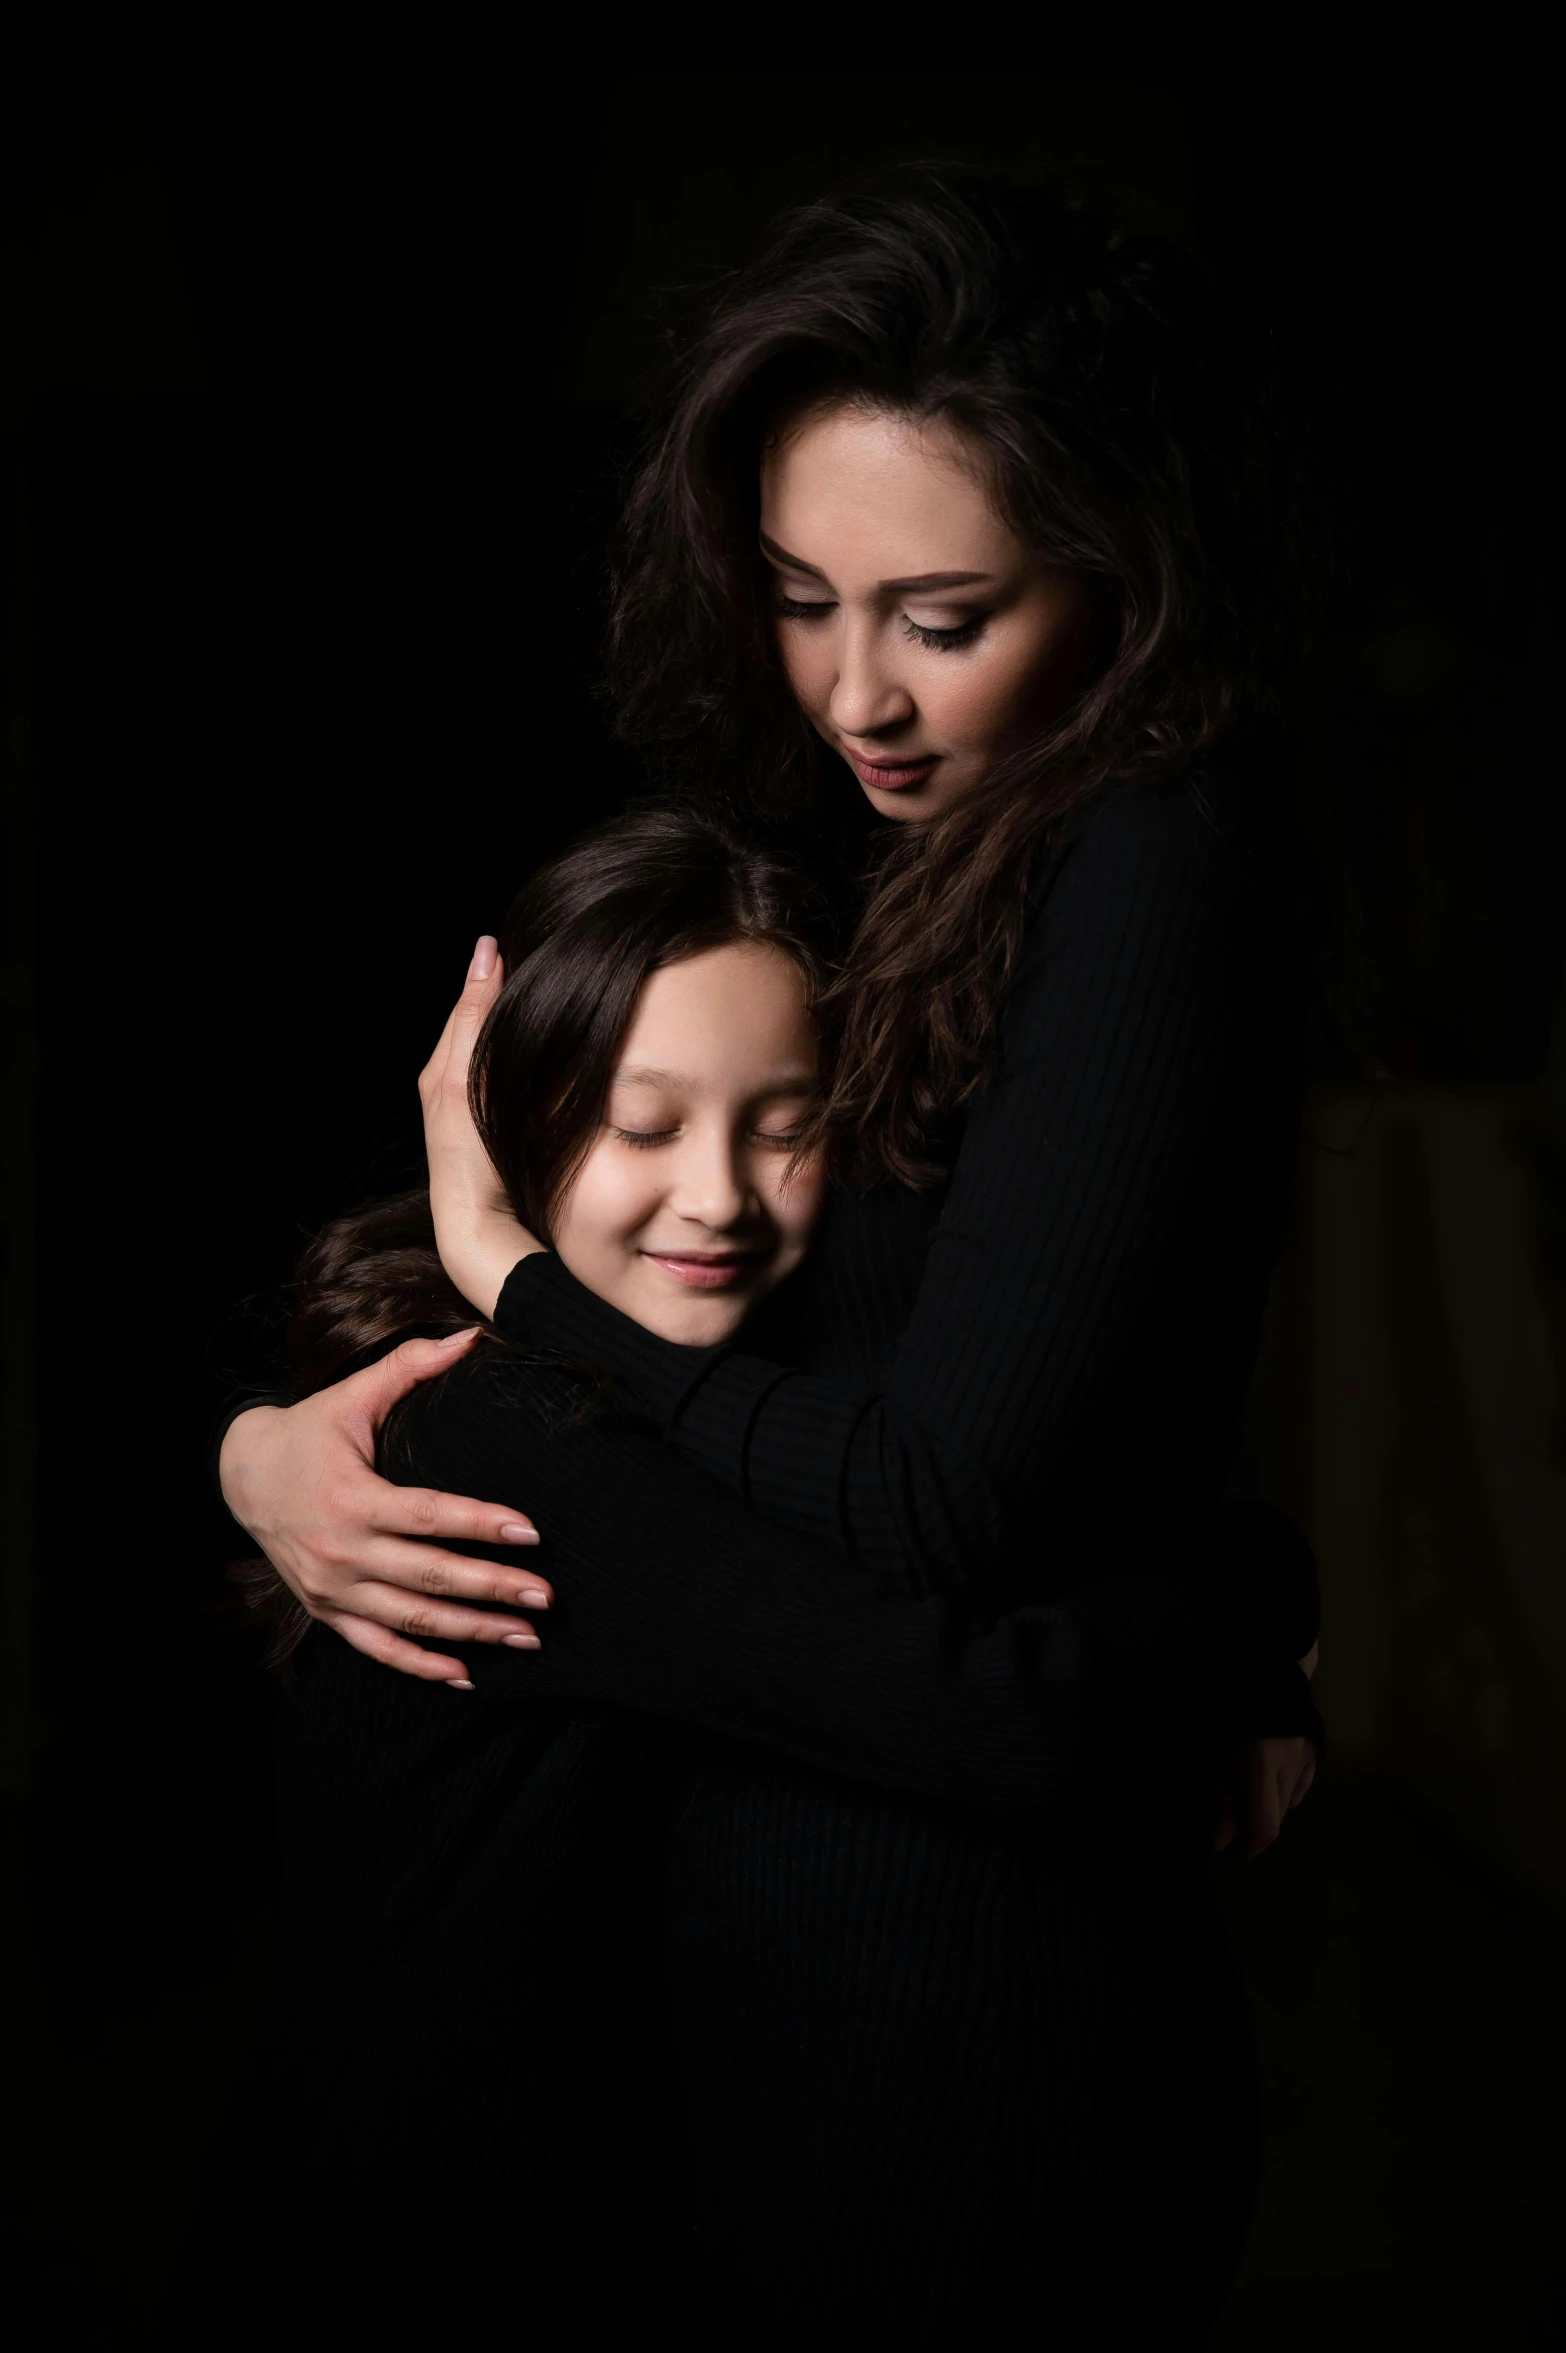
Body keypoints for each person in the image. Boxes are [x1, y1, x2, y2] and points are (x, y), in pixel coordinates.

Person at [216, 168, 1321, 2345]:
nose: (857, 692)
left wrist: (511, 1283)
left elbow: (933, 1499)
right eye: (803, 598)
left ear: (1117, 572)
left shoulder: (1142, 855)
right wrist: (260, 1447)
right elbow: (923, 1534)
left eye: (939, 613)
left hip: (957, 2062)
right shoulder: (928, 860)